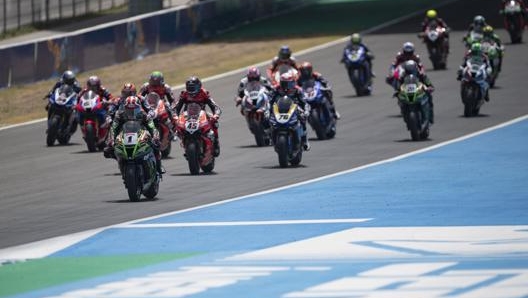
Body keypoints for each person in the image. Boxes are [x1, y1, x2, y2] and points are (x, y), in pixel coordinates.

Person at [104, 96, 164, 177]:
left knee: (156, 147)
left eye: (134, 109)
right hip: (125, 136)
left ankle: (159, 167)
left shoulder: (144, 115)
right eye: (129, 109)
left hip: (141, 135)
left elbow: (152, 127)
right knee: (110, 150)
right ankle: (122, 165)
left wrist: (155, 137)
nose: (131, 112)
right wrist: (111, 141)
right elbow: (113, 128)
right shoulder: (119, 115)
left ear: (139, 108)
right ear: (124, 108)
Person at [174, 76, 222, 157]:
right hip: (187, 115)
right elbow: (177, 107)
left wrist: (216, 114)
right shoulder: (184, 93)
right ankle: (184, 140)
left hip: (202, 114)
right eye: (189, 88)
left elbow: (214, 106)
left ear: (199, 86)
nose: (191, 90)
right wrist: (175, 116)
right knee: (176, 127)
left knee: (214, 123)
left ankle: (216, 142)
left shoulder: (204, 93)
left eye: (193, 88)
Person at [269, 72, 310, 151]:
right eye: (285, 83)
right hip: (279, 108)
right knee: (269, 119)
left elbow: (304, 101)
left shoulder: (297, 89)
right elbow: (269, 99)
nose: (287, 86)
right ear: (281, 83)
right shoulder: (275, 89)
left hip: (294, 107)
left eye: (290, 83)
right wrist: (267, 108)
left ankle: (305, 140)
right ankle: (272, 137)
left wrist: (306, 110)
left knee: (303, 118)